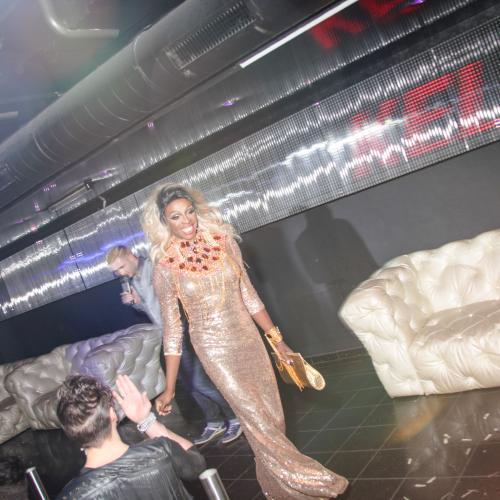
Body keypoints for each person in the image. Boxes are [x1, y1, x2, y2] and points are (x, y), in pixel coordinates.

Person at [142, 183, 349, 499]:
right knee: (254, 419)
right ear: (164, 222)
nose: (186, 221)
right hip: (214, 349)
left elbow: (250, 297)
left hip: (248, 339)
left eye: (189, 212)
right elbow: (172, 331)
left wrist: (278, 342)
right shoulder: (166, 268)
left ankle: (275, 488)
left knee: (272, 419)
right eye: (175, 216)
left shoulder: (224, 243)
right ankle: (313, 481)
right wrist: (169, 387)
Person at [106, 245, 242, 445]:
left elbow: (176, 295)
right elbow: (153, 307)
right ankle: (215, 421)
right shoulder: (134, 279)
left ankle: (236, 417)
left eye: (121, 267)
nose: (120, 273)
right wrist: (136, 302)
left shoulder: (154, 267)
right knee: (190, 385)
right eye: (116, 271)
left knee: (199, 382)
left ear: (131, 256)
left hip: (181, 330)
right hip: (168, 334)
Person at [56, 374, 206, 499]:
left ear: (70, 432)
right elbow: (197, 465)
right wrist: (146, 420)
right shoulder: (160, 451)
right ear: (112, 414)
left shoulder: (71, 495)